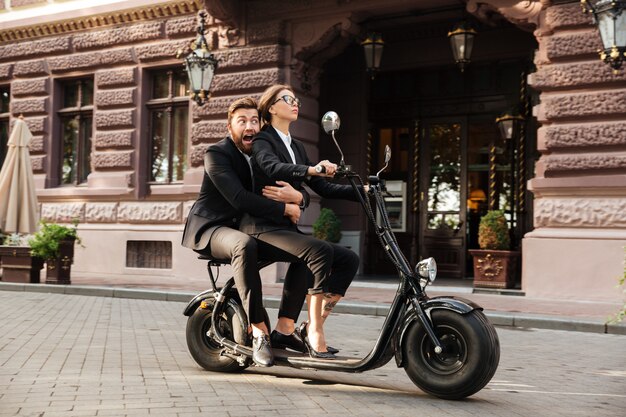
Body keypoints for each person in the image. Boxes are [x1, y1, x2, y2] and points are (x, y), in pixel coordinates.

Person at [182, 97, 311, 367]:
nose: (250, 126)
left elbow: (294, 184)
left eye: (254, 120)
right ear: (230, 128)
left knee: (307, 250)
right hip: (213, 228)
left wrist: (299, 199)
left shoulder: (264, 153)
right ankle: (259, 331)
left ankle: (284, 330)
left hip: (247, 227)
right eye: (242, 121)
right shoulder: (217, 154)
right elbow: (239, 198)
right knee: (243, 245)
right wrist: (285, 211)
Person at [241, 84, 363, 359]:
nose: (295, 103)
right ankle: (315, 333)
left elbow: (323, 188)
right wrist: (313, 168)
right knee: (317, 251)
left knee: (347, 259)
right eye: (288, 99)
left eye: (296, 100)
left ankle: (289, 329)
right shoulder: (263, 140)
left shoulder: (296, 146)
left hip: (284, 228)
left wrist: (363, 192)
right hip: (261, 227)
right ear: (271, 107)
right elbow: (271, 167)